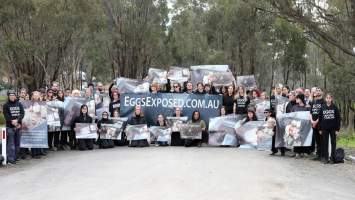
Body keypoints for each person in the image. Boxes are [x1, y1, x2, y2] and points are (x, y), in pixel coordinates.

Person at [318, 94, 341, 164]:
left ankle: (332, 159)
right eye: (327, 98)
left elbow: (338, 119)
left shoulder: (335, 107)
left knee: (333, 143)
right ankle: (326, 158)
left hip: (333, 129)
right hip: (324, 128)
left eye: (329, 98)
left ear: (331, 99)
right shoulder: (323, 107)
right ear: (325, 99)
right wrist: (320, 129)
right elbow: (320, 118)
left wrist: (337, 129)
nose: (328, 99)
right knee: (325, 143)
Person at [291, 94, 311, 158]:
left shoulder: (307, 107)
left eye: (297, 98)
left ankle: (304, 152)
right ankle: (297, 152)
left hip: (305, 126)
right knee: (296, 138)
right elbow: (291, 115)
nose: (296, 99)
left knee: (304, 138)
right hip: (296, 126)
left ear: (301, 99)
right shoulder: (294, 107)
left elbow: (309, 116)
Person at [310, 87, 325, 160]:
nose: (318, 92)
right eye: (317, 91)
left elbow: (322, 113)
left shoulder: (323, 102)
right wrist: (312, 121)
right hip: (313, 123)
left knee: (321, 139)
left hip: (320, 124)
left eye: (319, 91)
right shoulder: (314, 101)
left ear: (322, 92)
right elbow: (311, 112)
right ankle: (318, 155)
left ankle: (322, 155)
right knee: (317, 140)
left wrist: (316, 121)